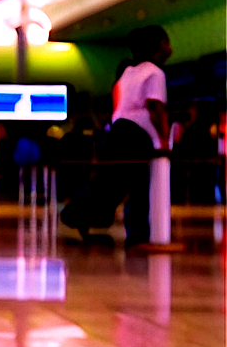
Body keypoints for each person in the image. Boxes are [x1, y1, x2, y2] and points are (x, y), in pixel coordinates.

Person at [61, 24, 172, 246]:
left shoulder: (128, 73)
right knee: (140, 186)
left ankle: (76, 213)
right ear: (159, 45)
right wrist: (163, 137)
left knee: (112, 181)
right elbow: (155, 106)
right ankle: (138, 235)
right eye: (167, 42)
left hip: (118, 130)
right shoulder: (155, 72)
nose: (170, 47)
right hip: (138, 135)